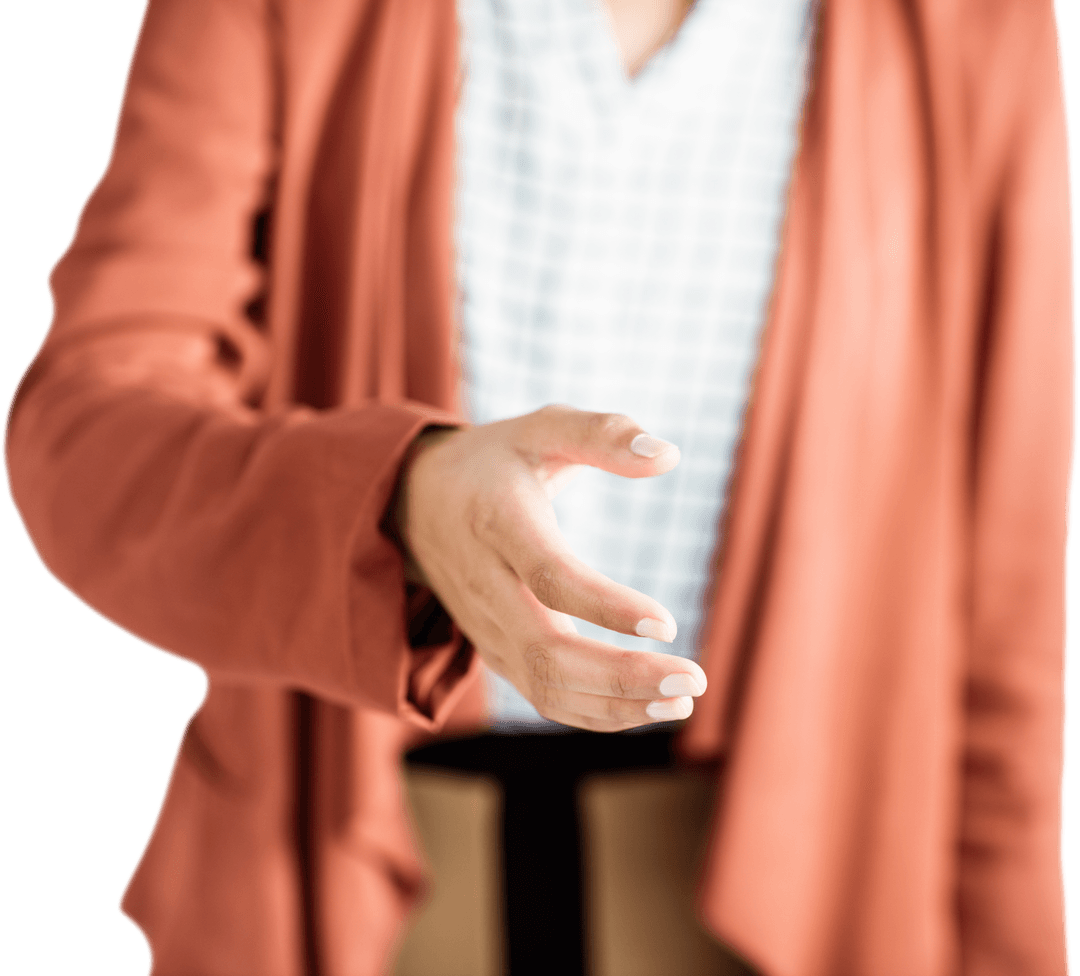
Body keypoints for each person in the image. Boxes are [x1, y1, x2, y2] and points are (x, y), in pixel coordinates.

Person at [1, 0, 1074, 974]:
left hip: (785, 890)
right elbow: (87, 435)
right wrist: (397, 500)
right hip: (349, 871)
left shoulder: (971, 28)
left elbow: (1003, 619)